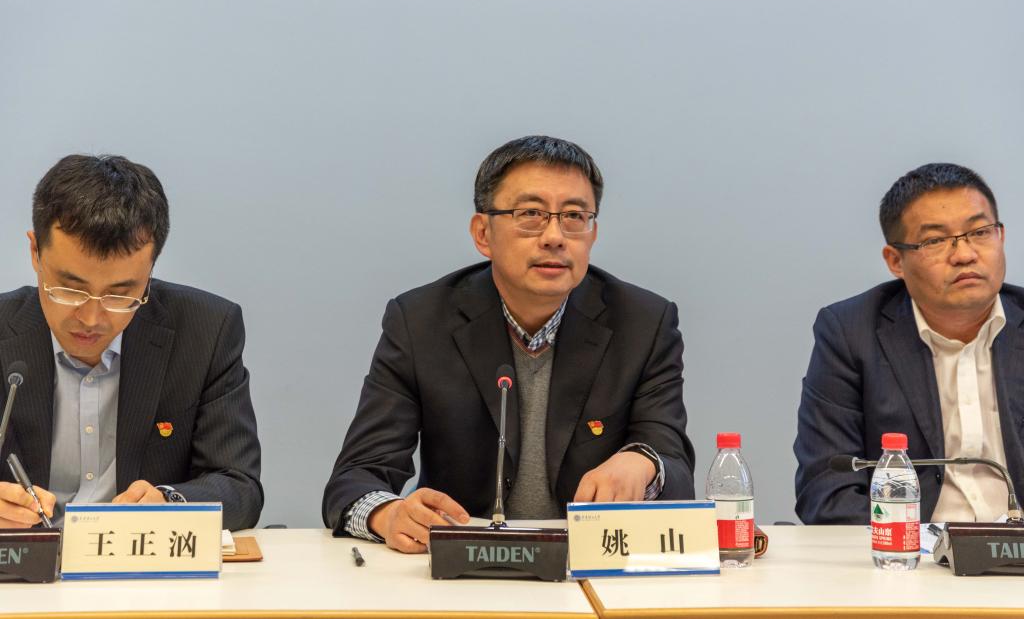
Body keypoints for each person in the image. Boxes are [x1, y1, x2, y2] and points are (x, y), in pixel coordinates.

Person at [323, 135, 695, 552]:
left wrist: (643, 463)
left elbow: (675, 467)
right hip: (467, 562)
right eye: (530, 214)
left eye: (575, 216)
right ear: (483, 233)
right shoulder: (420, 322)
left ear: (592, 234)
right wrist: (388, 514)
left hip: (591, 562)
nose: (554, 236)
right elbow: (356, 477)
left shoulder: (643, 322)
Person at [0, 155, 262, 530]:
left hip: (143, 559)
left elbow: (240, 487)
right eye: (70, 289)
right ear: (35, 253)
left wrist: (169, 503)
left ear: (150, 269)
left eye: (120, 294)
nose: (91, 318)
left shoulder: (205, 331)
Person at [794, 163, 1022, 524]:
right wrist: (911, 549)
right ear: (895, 261)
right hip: (909, 551)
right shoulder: (851, 333)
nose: (964, 254)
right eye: (935, 241)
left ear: (1001, 236)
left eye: (980, 232)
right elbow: (827, 491)